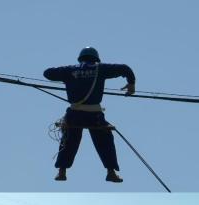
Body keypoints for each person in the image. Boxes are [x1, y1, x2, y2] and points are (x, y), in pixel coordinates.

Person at [44, 47, 135, 183]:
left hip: (75, 114)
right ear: (96, 59)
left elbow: (47, 73)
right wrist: (131, 84)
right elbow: (125, 68)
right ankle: (111, 172)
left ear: (80, 58)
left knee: (68, 141)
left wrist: (66, 77)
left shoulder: (70, 70)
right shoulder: (100, 69)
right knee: (105, 140)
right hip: (94, 115)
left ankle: (61, 172)